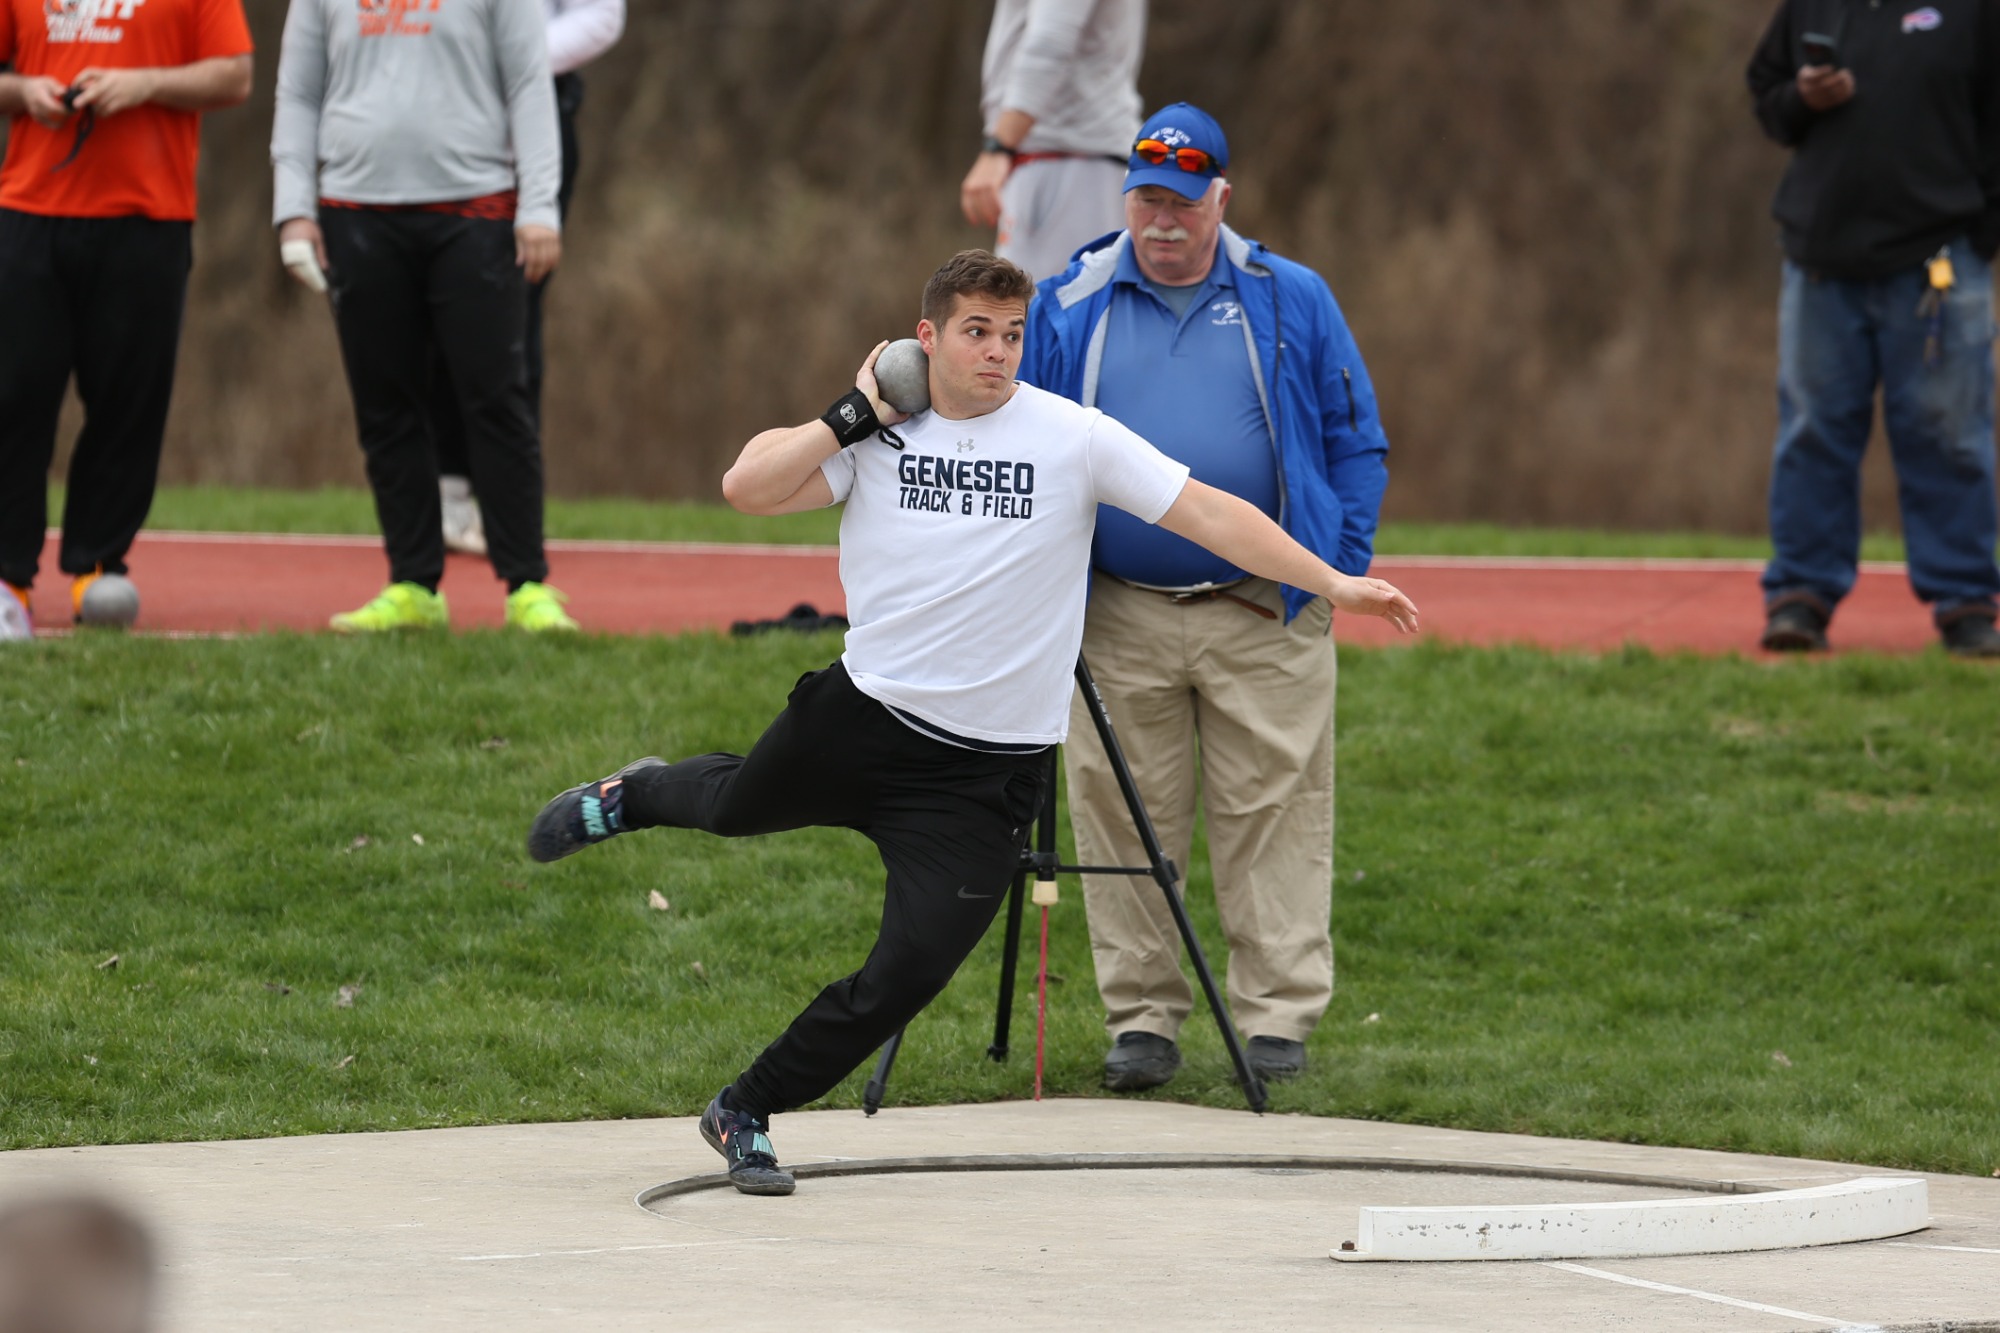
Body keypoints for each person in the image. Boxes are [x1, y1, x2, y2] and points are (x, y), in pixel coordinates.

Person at [525, 250, 1417, 1196]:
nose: (998, 353)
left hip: (983, 779)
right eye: (976, 332)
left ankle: (743, 1108)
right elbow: (745, 487)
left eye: (1013, 334)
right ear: (928, 338)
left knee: (903, 976)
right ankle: (631, 795)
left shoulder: (1073, 437)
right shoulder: (877, 435)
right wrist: (852, 413)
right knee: (737, 804)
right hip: (865, 718)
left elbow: (1206, 513)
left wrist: (1331, 581)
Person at [1017, 102, 1391, 1091]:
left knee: (1274, 810)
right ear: (1124, 199)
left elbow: (1355, 440)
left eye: (1184, 204)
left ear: (1221, 198)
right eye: (1146, 202)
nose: (1163, 223)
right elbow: (1028, 439)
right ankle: (1141, 1020)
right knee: (1119, 813)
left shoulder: (1290, 295)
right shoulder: (1070, 299)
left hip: (1261, 609)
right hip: (1117, 609)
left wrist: (1322, 568)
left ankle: (1274, 1023)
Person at [271, 0, 578, 632]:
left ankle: (527, 586)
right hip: (355, 209)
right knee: (385, 404)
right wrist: (293, 207)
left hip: (476, 208)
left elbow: (528, 81)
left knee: (495, 398)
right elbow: (299, 92)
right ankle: (413, 585)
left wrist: (540, 204)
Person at [1747, 1, 2000, 657]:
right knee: (1813, 430)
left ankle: (1966, 602)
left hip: (1937, 262)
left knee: (1950, 435)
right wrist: (1802, 98)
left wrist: (1979, 234)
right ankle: (1801, 597)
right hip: (1821, 262)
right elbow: (1767, 97)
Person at [0, 0, 253, 639]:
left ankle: (98, 565)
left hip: (149, 219)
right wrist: (25, 91)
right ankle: (8, 580)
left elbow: (235, 75)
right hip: (31, 212)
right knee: (14, 398)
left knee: (128, 404)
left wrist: (147, 85)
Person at [435, 0, 627, 558]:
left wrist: (507, 63)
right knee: (436, 309)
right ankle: (445, 497)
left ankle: (507, 508)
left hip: (535, 122)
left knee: (511, 317)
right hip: (437, 123)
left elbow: (601, 17)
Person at [959, 0, 1145, 282]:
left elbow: (1052, 41)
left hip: (1069, 164)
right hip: (1064, 160)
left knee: (1037, 315)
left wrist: (999, 147)